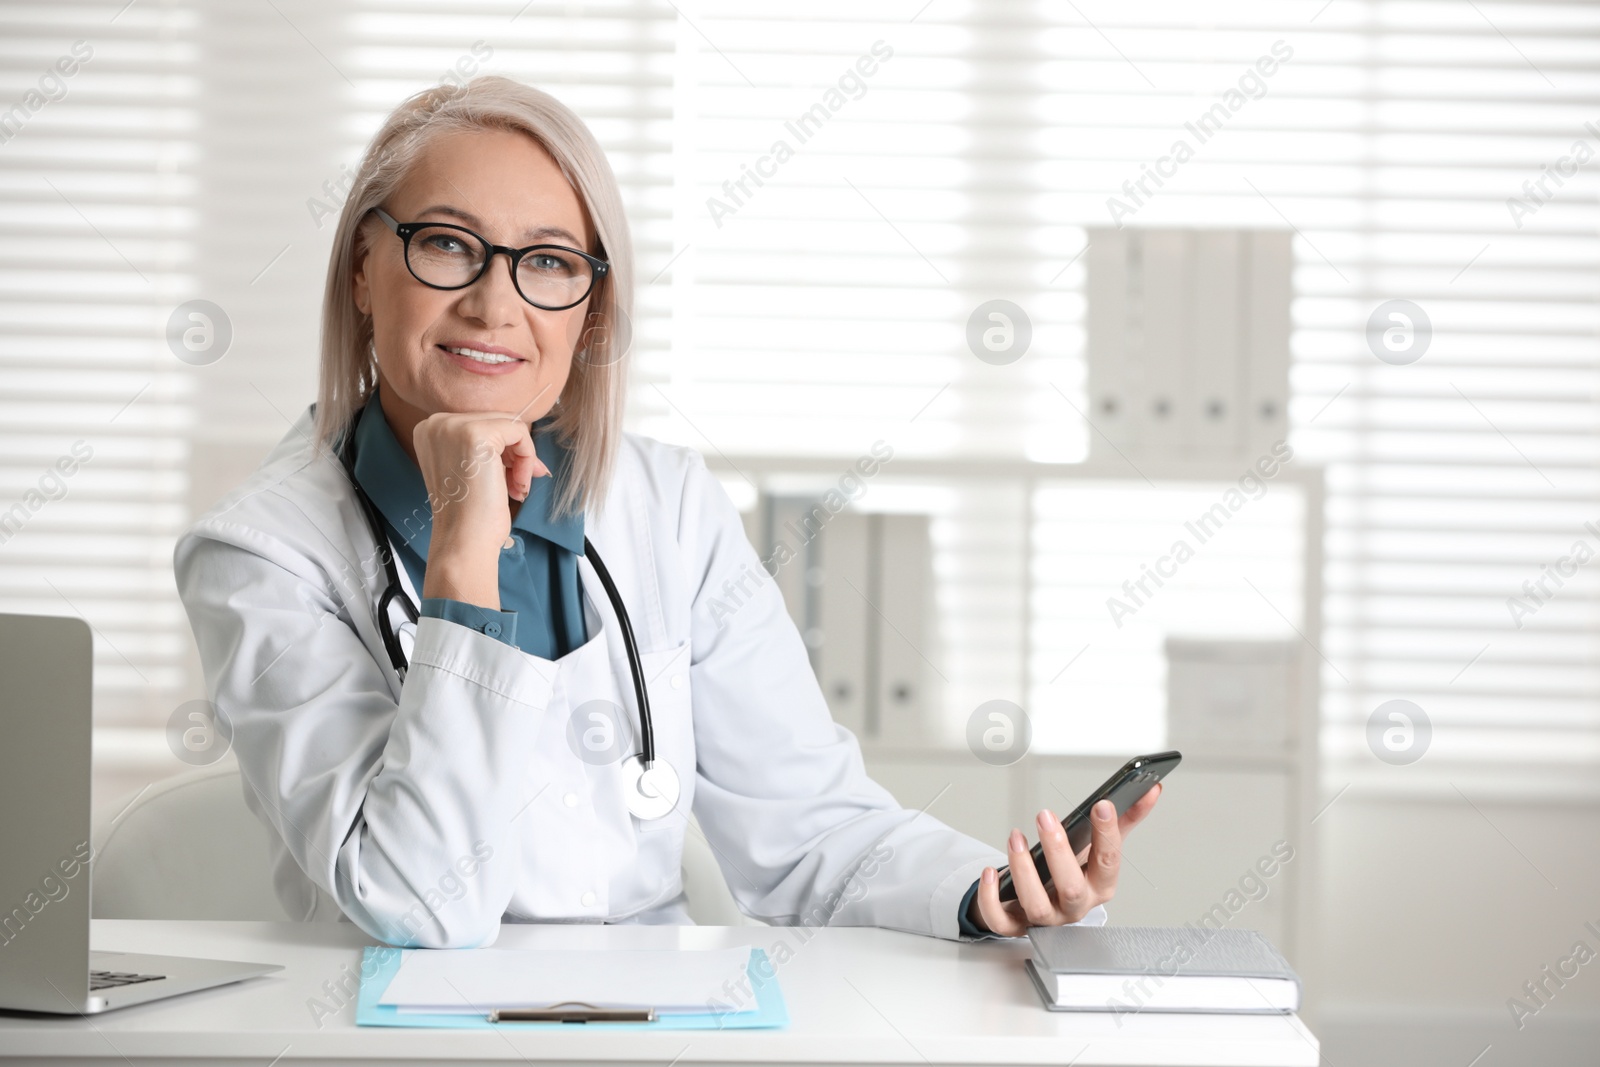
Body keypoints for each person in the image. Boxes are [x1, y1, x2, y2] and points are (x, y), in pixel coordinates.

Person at [174, 75, 1159, 949]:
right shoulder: (263, 552)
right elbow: (422, 905)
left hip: (656, 1028)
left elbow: (810, 832)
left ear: (591, 310)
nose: (492, 303)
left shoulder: (668, 504)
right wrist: (467, 555)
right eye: (445, 244)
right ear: (359, 267)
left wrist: (989, 897)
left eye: (550, 261)